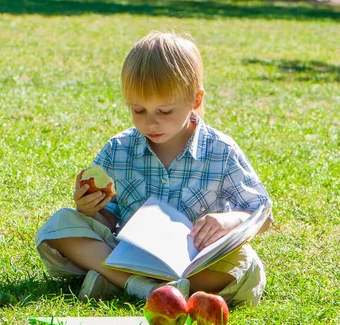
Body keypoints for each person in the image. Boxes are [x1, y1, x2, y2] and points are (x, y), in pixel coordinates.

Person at [35, 31, 273, 306]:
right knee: (60, 225)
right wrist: (90, 209)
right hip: (128, 254)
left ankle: (115, 281)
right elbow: (107, 221)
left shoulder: (220, 150)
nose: (151, 124)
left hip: (192, 263)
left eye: (165, 112)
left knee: (247, 265)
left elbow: (262, 213)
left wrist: (229, 220)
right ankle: (141, 287)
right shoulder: (119, 148)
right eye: (138, 110)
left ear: (195, 100)